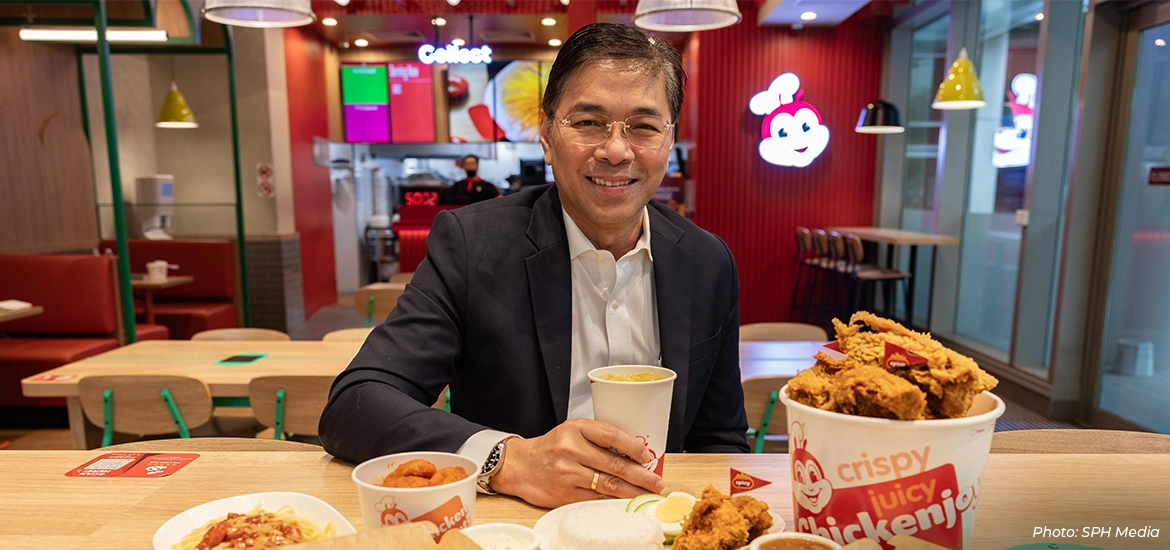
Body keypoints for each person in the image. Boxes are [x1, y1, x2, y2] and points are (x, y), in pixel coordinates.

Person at [319, 22, 747, 509]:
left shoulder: (708, 261)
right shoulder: (473, 244)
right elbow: (356, 402)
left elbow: (722, 439)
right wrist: (507, 459)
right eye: (588, 122)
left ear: (668, 141)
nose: (615, 150)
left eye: (644, 126)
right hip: (516, 523)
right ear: (546, 134)